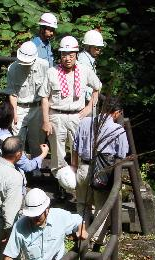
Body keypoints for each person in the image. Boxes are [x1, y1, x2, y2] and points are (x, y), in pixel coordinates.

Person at [38, 35, 102, 195]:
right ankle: (61, 185)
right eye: (64, 54)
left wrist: (89, 107)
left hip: (77, 116)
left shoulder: (84, 70)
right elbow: (44, 97)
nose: (67, 58)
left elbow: (97, 87)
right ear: (60, 55)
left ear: (76, 54)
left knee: (79, 150)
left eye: (71, 55)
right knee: (58, 154)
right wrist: (45, 121)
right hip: (56, 116)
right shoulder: (52, 72)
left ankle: (79, 184)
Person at [0, 188, 88, 260]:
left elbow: (78, 220)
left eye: (38, 216)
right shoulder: (20, 226)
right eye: (31, 216)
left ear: (47, 209)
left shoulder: (60, 216)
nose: (34, 219)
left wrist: (82, 229)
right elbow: (9, 254)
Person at [71, 96, 128, 242]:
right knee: (101, 206)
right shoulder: (117, 129)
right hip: (101, 172)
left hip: (83, 167)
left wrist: (75, 166)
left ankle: (81, 233)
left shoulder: (84, 122)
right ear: (117, 113)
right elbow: (122, 153)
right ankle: (96, 238)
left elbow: (75, 147)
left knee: (82, 203)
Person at [5, 41, 49, 166]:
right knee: (18, 140)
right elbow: (12, 93)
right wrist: (14, 113)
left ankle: (36, 167)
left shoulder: (44, 66)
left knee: (37, 140)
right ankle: (20, 167)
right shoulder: (12, 68)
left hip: (38, 107)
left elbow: (48, 91)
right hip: (19, 107)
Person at [78, 30, 105, 111]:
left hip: (89, 100)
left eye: (100, 48)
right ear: (88, 47)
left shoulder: (89, 59)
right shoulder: (83, 60)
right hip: (85, 102)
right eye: (96, 48)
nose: (98, 51)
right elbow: (83, 84)